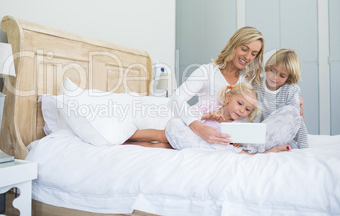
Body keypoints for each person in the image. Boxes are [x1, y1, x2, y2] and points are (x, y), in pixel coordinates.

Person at [129, 83, 295, 154]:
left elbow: (225, 141)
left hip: (190, 142)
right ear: (228, 97)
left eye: (247, 109)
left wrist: (234, 143)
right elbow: (187, 117)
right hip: (185, 130)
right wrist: (206, 116)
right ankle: (130, 137)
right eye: (239, 103)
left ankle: (133, 147)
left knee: (165, 147)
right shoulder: (211, 106)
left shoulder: (237, 125)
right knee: (162, 136)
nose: (242, 110)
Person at [168, 26, 265, 146]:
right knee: (170, 132)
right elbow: (175, 100)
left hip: (227, 142)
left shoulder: (247, 81)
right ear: (233, 45)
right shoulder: (207, 72)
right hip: (202, 136)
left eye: (253, 54)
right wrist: (199, 128)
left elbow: (244, 118)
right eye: (244, 49)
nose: (248, 57)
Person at [256, 48, 309, 149]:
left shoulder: (290, 90)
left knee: (292, 148)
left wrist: (304, 147)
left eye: (282, 75)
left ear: (289, 78)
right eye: (272, 71)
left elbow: (297, 119)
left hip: (283, 136)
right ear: (268, 67)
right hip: (262, 134)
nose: (275, 77)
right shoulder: (256, 84)